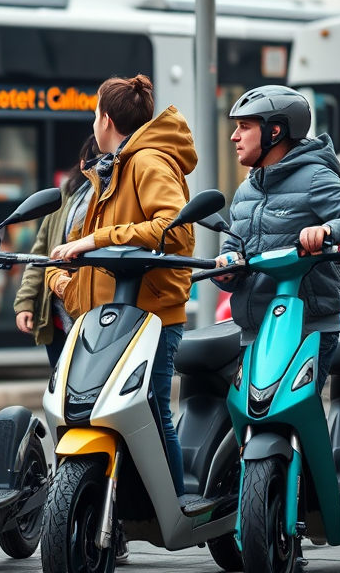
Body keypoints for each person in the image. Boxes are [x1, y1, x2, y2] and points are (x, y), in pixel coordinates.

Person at [48, 74, 197, 504]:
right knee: (106, 417)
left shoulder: (147, 162)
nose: (93, 123)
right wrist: (63, 283)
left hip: (150, 318)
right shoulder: (115, 166)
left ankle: (172, 505)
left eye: (95, 113)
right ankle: (121, 513)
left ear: (106, 118)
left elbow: (175, 230)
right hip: (112, 319)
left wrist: (97, 239)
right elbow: (100, 268)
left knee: (152, 411)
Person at [214, 85, 340, 393]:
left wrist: (328, 230)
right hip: (255, 334)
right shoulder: (245, 191)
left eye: (244, 127)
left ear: (274, 131)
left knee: (294, 425)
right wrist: (226, 268)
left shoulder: (315, 178)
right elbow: (233, 250)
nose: (234, 136)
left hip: (305, 331)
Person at [13, 133, 99, 369]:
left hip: (94, 313)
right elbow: (40, 253)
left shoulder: (113, 200)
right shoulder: (65, 196)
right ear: (83, 163)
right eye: (96, 161)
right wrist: (25, 302)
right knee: (61, 389)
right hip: (58, 313)